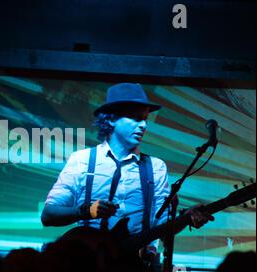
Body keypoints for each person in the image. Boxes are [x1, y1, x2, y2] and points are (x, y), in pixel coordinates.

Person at [41, 83, 214, 261]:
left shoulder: (156, 167)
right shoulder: (81, 160)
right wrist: (86, 211)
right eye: (135, 118)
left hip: (135, 268)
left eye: (145, 119)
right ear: (111, 119)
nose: (143, 125)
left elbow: (162, 227)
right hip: (90, 266)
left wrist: (185, 218)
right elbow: (48, 215)